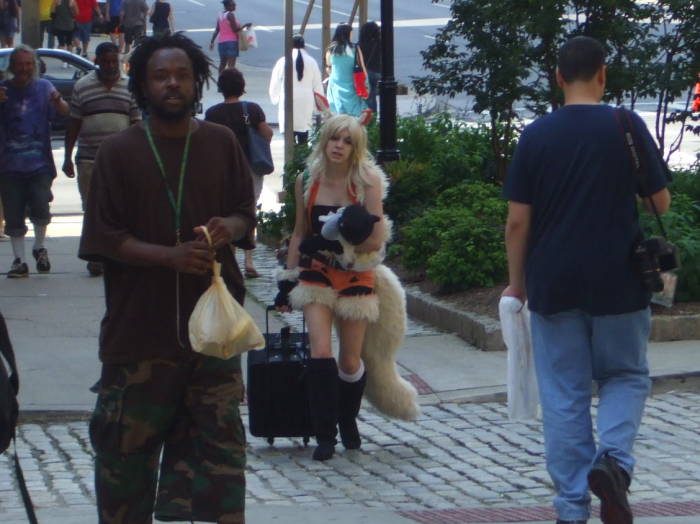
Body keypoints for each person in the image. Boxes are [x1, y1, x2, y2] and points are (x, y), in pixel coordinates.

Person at [79, 33, 255, 523]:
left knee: (221, 466)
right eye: (161, 76)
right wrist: (167, 256)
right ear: (143, 84)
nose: (172, 84)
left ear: (196, 82)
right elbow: (104, 237)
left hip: (214, 340)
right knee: (125, 467)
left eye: (181, 75)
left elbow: (245, 212)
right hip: (139, 337)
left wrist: (231, 227)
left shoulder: (220, 143)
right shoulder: (119, 152)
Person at [502, 36, 672, 524]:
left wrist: (517, 284)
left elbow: (517, 223)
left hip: (553, 280)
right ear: (602, 74)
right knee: (625, 374)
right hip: (619, 277)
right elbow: (659, 203)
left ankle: (571, 508)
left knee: (563, 391)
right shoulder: (625, 125)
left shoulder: (535, 136)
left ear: (558, 78)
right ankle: (614, 461)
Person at [274, 114, 387, 461]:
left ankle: (347, 419)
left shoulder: (367, 180)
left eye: (347, 140)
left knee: (350, 360)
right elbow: (298, 232)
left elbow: (379, 237)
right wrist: (287, 281)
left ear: (356, 147)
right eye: (334, 138)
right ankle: (325, 434)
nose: (339, 146)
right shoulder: (307, 180)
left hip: (355, 273)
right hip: (317, 273)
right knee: (320, 352)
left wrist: (352, 241)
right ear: (323, 141)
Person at [63, 41, 141, 276]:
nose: (109, 65)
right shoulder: (82, 86)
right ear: (96, 61)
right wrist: (67, 156)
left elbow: (137, 124)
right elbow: (74, 122)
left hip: (122, 162)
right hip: (89, 159)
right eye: (105, 61)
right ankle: (96, 256)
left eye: (113, 60)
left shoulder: (130, 87)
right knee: (92, 209)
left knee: (119, 209)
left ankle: (116, 253)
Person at [0, 45, 70, 278]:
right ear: (12, 67)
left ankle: (39, 247)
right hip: (8, 165)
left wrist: (59, 102)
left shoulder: (44, 87)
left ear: (35, 66)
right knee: (13, 214)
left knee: (41, 206)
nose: (24, 69)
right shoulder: (3, 91)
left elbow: (64, 112)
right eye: (20, 64)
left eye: (28, 64)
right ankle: (19, 261)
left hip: (39, 163)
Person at [205, 67, 273, 278]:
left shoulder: (212, 114)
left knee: (227, 212)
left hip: (223, 171)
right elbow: (268, 134)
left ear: (221, 88)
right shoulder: (252, 109)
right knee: (248, 211)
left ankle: (230, 260)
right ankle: (249, 262)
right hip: (250, 169)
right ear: (242, 87)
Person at [268, 34, 323, 145]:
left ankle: (290, 159)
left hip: (288, 100)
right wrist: (320, 106)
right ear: (304, 46)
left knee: (289, 136)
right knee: (304, 136)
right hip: (306, 101)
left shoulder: (283, 61)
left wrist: (275, 97)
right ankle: (302, 159)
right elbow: (317, 86)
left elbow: (275, 83)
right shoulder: (312, 62)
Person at [325, 23, 368, 117]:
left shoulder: (331, 49)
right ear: (348, 34)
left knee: (337, 113)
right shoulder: (355, 48)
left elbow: (328, 67)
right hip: (352, 85)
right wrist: (366, 83)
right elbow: (362, 66)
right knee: (354, 114)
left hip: (336, 84)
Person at [209, 0, 250, 74]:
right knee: (231, 65)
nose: (235, 6)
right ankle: (230, 81)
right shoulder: (230, 15)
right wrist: (245, 25)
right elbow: (235, 30)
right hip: (231, 42)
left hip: (221, 43)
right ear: (227, 6)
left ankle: (221, 81)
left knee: (222, 64)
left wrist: (212, 42)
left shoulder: (220, 15)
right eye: (233, 5)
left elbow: (217, 30)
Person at [358, 21, 381, 114]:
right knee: (373, 95)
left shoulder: (360, 45)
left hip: (366, 73)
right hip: (377, 72)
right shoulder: (380, 43)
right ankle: (373, 115)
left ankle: (368, 117)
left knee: (367, 97)